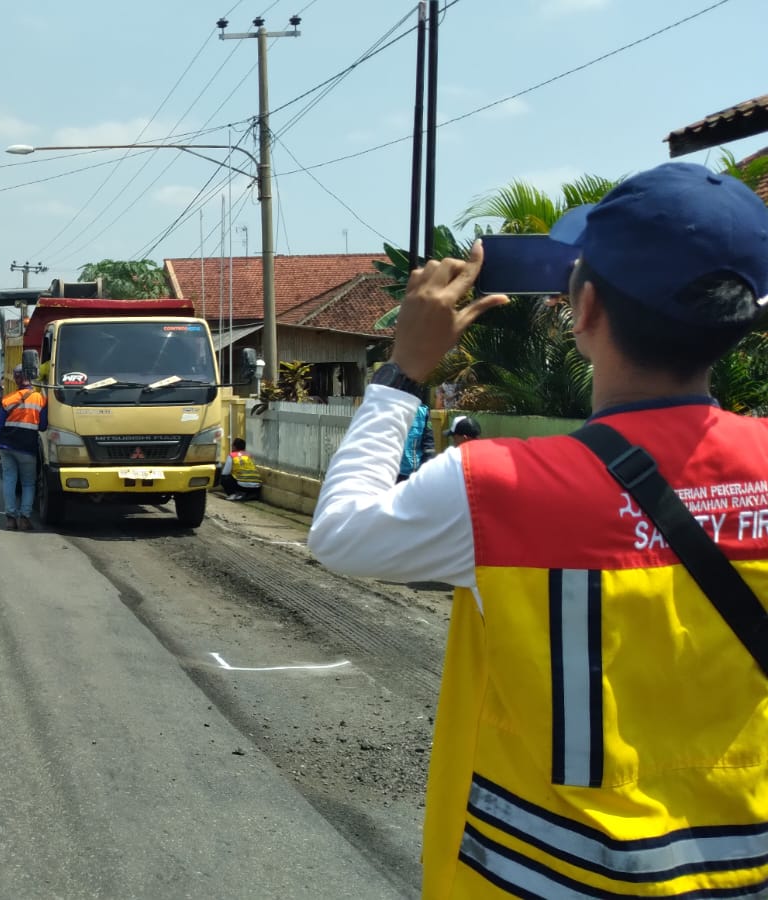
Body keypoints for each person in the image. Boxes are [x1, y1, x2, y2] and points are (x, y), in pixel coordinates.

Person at [308, 162, 768, 899]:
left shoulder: (498, 486)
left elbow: (340, 532)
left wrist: (403, 374)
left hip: (539, 874)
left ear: (583, 309)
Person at [0, 367, 47, 531]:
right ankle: (24, 519)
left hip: (7, 446)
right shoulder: (40, 399)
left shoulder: (8, 399)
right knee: (28, 483)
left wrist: (0, 445)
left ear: (16, 379)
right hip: (27, 448)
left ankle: (10, 519)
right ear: (31, 378)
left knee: (9, 480)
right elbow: (43, 426)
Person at [397, 399, 435, 482]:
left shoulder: (423, 412)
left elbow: (429, 445)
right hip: (393, 473)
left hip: (414, 475)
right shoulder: (391, 409)